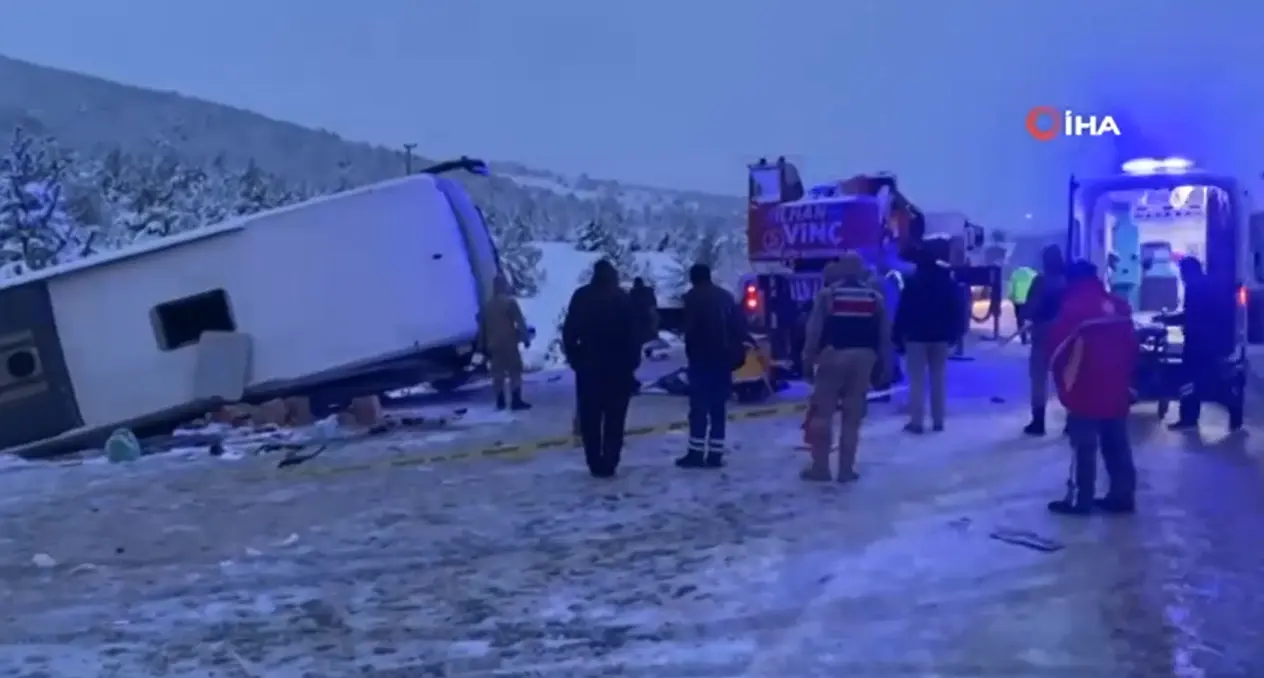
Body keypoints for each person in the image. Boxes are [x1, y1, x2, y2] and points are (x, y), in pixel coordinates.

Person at [1045, 260, 1138, 515]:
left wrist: (1064, 382)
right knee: (1117, 443)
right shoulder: (1119, 306)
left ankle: (1080, 499)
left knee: (1083, 446)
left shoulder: (1073, 309)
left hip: (1084, 388)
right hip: (1116, 385)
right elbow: (1133, 347)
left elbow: (1057, 348)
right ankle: (1123, 495)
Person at [800, 253, 888, 482]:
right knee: (852, 417)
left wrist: (808, 360)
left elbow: (814, 331)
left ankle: (821, 467)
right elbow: (884, 334)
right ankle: (846, 469)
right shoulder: (874, 297)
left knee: (823, 414)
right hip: (864, 359)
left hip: (833, 356)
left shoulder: (829, 295)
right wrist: (883, 364)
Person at [562, 260, 642, 478]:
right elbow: (635, 337)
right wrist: (632, 364)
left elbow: (569, 333)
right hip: (619, 370)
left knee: (590, 419)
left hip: (589, 369)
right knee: (615, 420)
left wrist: (575, 360)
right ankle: (610, 461)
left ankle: (594, 462)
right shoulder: (622, 299)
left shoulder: (582, 297)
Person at [676, 263, 746, 469]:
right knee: (718, 408)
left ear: (693, 278)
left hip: (701, 360)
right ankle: (715, 454)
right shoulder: (725, 297)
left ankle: (695, 453)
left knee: (698, 408)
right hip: (723, 360)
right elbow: (739, 326)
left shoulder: (691, 298)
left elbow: (687, 329)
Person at [1161, 256, 1241, 431]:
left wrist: (1166, 319)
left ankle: (1189, 418)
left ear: (1187, 271)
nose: (1181, 276)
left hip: (1197, 343)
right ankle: (1233, 409)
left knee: (1190, 381)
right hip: (1212, 342)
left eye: (1182, 272)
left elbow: (1191, 316)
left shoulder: (1194, 287)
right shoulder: (1208, 285)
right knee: (1212, 379)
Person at [893, 247, 965, 433]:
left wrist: (897, 336)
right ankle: (938, 421)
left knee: (916, 380)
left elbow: (903, 311)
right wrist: (956, 333)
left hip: (916, 336)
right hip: (941, 336)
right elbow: (957, 308)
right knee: (938, 378)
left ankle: (917, 422)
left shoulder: (912, 282)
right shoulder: (947, 282)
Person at [1022, 245, 1067, 435]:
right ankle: (1071, 421)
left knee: (1039, 378)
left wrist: (1027, 316)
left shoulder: (1040, 281)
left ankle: (1038, 421)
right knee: (1064, 378)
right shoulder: (1068, 281)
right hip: (1065, 333)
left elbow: (1030, 307)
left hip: (1042, 333)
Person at [480, 274, 532, 411]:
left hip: (493, 345)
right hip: (509, 343)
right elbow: (520, 322)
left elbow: (482, 328)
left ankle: (500, 400)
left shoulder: (487, 306)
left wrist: (482, 345)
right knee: (515, 371)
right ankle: (516, 400)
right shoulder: (510, 303)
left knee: (497, 374)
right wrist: (525, 338)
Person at [629, 277, 659, 356]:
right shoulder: (647, 291)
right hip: (645, 315)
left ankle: (643, 350)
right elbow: (654, 303)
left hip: (641, 316)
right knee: (648, 334)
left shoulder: (633, 293)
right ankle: (648, 350)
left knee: (642, 335)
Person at [1008, 265, 1037, 344]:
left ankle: (1023, 339)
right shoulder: (1034, 274)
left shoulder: (1015, 273)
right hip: (1028, 300)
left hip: (1017, 300)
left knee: (1020, 320)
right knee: (1031, 320)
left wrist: (1011, 296)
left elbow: (1012, 286)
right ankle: (1032, 337)